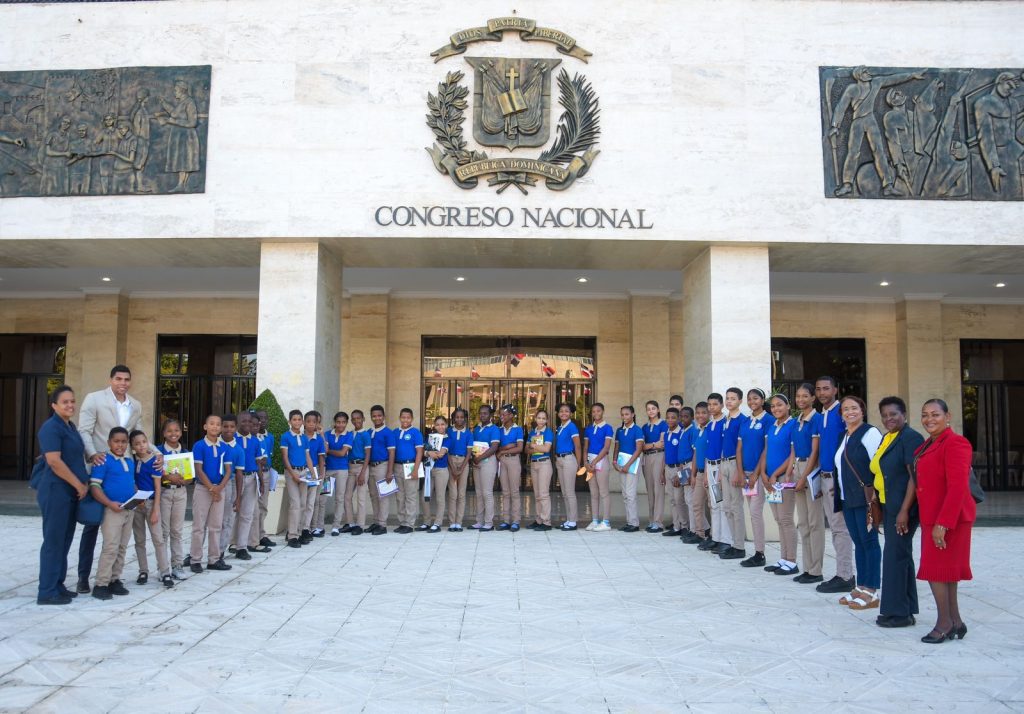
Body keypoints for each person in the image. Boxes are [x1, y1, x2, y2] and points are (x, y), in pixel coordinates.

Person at [76, 365, 145, 594]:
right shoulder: (94, 399)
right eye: (118, 379)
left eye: (126, 379)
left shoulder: (134, 405)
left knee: (118, 538)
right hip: (99, 466)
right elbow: (84, 431)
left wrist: (155, 456)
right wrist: (93, 455)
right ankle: (85, 577)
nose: (122, 383)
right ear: (111, 379)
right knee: (92, 526)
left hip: (123, 470)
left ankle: (113, 578)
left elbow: (138, 436)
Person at [914, 398, 976, 644]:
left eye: (935, 414)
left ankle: (944, 623)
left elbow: (958, 486)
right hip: (932, 515)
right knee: (944, 572)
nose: (929, 419)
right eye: (925, 414)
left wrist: (944, 523)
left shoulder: (956, 443)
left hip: (949, 519)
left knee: (936, 571)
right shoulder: (929, 444)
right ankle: (956, 621)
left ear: (948, 416)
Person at [870, 396, 925, 628]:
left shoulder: (910, 438)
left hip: (903, 508)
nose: (888, 419)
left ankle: (899, 614)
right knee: (900, 556)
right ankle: (905, 608)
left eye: (893, 414)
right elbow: (880, 472)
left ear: (904, 414)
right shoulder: (887, 437)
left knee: (894, 557)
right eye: (884, 415)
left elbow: (914, 476)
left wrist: (904, 510)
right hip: (888, 505)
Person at [35, 385, 89, 605]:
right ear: (54, 405)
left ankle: (58, 584)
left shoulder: (70, 427)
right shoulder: (51, 428)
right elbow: (54, 462)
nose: (70, 405)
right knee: (53, 540)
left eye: (72, 401)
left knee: (64, 540)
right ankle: (46, 590)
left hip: (69, 492)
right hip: (56, 490)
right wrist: (79, 485)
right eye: (65, 401)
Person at [834, 396, 884, 610]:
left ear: (862, 411)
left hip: (865, 499)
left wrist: (876, 497)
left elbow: (878, 464)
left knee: (869, 542)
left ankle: (872, 590)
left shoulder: (870, 433)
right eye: (845, 409)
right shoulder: (843, 435)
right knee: (859, 542)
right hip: (848, 498)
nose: (849, 412)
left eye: (854, 408)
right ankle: (861, 586)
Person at [814, 376, 856, 594]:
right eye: (819, 389)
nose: (822, 393)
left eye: (826, 389)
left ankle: (845, 575)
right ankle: (843, 572)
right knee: (836, 527)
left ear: (836, 390)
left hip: (837, 479)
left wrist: (840, 480)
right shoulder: (823, 414)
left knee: (840, 528)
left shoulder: (841, 412)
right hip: (824, 476)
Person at [88, 427, 136, 600]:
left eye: (124, 442)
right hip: (112, 511)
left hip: (129, 510)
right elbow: (94, 486)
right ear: (109, 442)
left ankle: (114, 579)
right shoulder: (103, 461)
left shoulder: (130, 461)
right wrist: (109, 503)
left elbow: (131, 483)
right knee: (110, 547)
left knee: (122, 547)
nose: (120, 445)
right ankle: (101, 583)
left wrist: (138, 497)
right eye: (116, 441)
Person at [757, 395, 799, 576]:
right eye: (773, 406)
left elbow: (792, 454)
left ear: (788, 406)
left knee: (787, 519)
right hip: (770, 480)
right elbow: (766, 451)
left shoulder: (793, 425)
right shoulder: (772, 426)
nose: (776, 409)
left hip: (783, 480)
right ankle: (783, 558)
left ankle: (792, 561)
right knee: (778, 520)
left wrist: (775, 475)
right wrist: (764, 474)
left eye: (780, 405)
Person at [789, 384, 825, 585]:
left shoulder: (816, 419)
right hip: (797, 468)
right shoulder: (797, 421)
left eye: (805, 396)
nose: (801, 399)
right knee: (802, 522)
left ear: (813, 398)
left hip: (811, 471)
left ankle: (816, 569)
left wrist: (804, 477)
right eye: (798, 396)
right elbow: (794, 450)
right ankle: (807, 567)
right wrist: (790, 473)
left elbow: (814, 451)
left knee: (814, 522)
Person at [128, 430, 173, 588]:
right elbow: (132, 481)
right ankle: (143, 570)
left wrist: (156, 509)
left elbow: (157, 486)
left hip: (151, 503)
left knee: (158, 539)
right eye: (137, 443)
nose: (141, 446)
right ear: (132, 447)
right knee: (139, 539)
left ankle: (165, 571)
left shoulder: (155, 461)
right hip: (137, 504)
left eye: (143, 442)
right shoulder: (132, 460)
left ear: (148, 442)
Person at [190, 415, 232, 572]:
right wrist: (211, 489)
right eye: (211, 424)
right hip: (203, 489)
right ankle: (195, 559)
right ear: (205, 426)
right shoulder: (199, 446)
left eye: (218, 424)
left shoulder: (224, 447)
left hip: (219, 490)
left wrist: (219, 488)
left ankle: (214, 559)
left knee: (216, 525)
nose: (215, 427)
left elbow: (228, 470)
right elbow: (199, 470)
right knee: (199, 526)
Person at [736, 389, 770, 566]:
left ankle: (760, 553)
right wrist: (741, 472)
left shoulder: (768, 420)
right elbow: (739, 448)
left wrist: (756, 474)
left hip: (759, 474)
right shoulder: (747, 421)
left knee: (756, 512)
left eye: (755, 398)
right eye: (749, 399)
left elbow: (766, 449)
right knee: (753, 512)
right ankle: (758, 550)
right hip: (746, 474)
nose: (752, 401)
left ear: (763, 400)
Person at [156, 419, 189, 580]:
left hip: (181, 493)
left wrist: (184, 480)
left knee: (177, 531)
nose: (173, 434)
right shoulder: (158, 451)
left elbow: (190, 477)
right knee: (163, 531)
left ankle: (177, 565)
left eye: (176, 430)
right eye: (169, 431)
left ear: (180, 433)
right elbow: (154, 474)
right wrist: (168, 477)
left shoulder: (185, 452)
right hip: (164, 493)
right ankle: (162, 568)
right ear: (164, 433)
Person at [232, 413, 265, 560]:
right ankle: (227, 544)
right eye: (243, 421)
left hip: (251, 478)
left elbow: (258, 463)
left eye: (250, 422)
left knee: (247, 514)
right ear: (238, 423)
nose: (247, 424)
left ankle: (242, 547)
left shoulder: (255, 441)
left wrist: (262, 481)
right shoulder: (232, 439)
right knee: (231, 514)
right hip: (234, 479)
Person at [159, 79, 202, 192]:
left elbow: (192, 122)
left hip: (187, 136)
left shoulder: (190, 102)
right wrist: (164, 104)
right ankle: (181, 185)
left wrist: (171, 121)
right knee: (180, 160)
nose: (174, 92)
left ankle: (181, 185)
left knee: (184, 160)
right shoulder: (182, 102)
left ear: (182, 91)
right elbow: (175, 113)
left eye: (176, 90)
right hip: (179, 136)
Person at [281, 409, 317, 546]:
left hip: (304, 473)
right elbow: (284, 457)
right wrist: (292, 473)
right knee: (295, 504)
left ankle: (299, 531)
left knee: (303, 504)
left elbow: (307, 456)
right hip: (292, 473)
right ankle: (291, 536)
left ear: (302, 422)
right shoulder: (286, 437)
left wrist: (312, 473)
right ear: (290, 421)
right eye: (294, 419)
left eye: (299, 419)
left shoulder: (304, 438)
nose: (297, 422)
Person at [718, 387, 746, 560]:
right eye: (727, 398)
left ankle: (740, 546)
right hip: (724, 463)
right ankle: (733, 542)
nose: (729, 401)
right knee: (727, 506)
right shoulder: (726, 419)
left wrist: (738, 471)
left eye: (733, 399)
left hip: (735, 464)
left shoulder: (742, 420)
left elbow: (740, 447)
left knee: (736, 506)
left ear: (740, 401)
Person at [703, 393, 732, 555]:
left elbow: (723, 447)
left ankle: (726, 540)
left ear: (721, 405)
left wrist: (720, 470)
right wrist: (707, 469)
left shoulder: (724, 422)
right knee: (714, 504)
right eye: (709, 404)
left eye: (715, 404)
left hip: (721, 467)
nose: (711, 407)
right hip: (710, 466)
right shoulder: (709, 424)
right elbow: (709, 448)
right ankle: (716, 537)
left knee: (722, 504)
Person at [583, 402, 614, 532]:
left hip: (601, 461)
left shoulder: (608, 428)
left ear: (603, 412)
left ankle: (606, 522)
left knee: (603, 492)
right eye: (593, 411)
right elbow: (585, 447)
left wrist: (594, 461)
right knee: (594, 492)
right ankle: (595, 520)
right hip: (589, 462)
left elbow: (606, 447)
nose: (596, 413)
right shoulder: (588, 429)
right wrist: (585, 462)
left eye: (598, 411)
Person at [613, 406, 645, 533]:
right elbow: (616, 447)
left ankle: (634, 523)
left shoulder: (637, 430)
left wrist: (628, 465)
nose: (624, 417)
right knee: (625, 494)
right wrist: (615, 461)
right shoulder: (619, 430)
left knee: (631, 494)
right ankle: (629, 521)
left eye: (627, 414)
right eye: (622, 414)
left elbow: (638, 449)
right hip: (621, 465)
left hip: (632, 465)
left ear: (633, 414)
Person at [393, 407, 424, 534]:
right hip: (397, 466)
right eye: (403, 417)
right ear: (400, 418)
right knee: (400, 496)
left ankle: (410, 524)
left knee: (410, 496)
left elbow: (419, 452)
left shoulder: (416, 433)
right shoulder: (395, 432)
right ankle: (402, 522)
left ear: (412, 419)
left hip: (411, 465)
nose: (405, 420)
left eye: (408, 417)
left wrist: (416, 469)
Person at [366, 405, 396, 535]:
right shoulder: (369, 432)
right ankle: (376, 521)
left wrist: (389, 471)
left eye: (379, 415)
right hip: (370, 467)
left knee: (382, 496)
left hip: (382, 466)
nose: (376, 418)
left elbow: (392, 453)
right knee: (373, 495)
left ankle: (383, 525)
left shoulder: (388, 432)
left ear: (383, 416)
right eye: (374, 416)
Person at [217, 414, 244, 557]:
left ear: (236, 428)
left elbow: (239, 475)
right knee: (209, 522)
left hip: (231, 483)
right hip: (214, 483)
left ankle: (220, 551)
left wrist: (238, 497)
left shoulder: (238, 449)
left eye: (232, 426)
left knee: (227, 519)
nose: (228, 429)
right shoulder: (215, 443)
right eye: (225, 426)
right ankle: (194, 554)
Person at [470, 405, 500, 531]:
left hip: (488, 462)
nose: (482, 415)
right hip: (477, 462)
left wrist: (480, 457)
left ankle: (489, 522)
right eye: (481, 413)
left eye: (485, 413)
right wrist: (474, 457)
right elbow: (473, 446)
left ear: (490, 415)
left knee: (487, 493)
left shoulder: (494, 429)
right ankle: (479, 521)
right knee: (479, 493)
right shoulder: (476, 429)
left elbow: (494, 447)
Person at [554, 402, 582, 531]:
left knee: (570, 492)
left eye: (566, 411)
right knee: (564, 492)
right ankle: (568, 519)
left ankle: (573, 521)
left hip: (569, 459)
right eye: (561, 411)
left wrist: (579, 463)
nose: (563, 413)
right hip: (559, 460)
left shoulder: (572, 427)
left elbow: (577, 446)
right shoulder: (560, 427)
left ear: (571, 413)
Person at [496, 404, 524, 531]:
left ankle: (516, 521)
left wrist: (505, 450)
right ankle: (506, 520)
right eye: (500, 414)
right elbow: (497, 448)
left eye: (504, 414)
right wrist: (506, 448)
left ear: (511, 415)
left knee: (514, 491)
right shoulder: (499, 430)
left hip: (513, 461)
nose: (501, 417)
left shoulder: (518, 429)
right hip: (503, 460)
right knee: (505, 492)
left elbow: (520, 448)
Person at [641, 401, 667, 532]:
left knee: (658, 490)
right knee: (650, 490)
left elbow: (662, 444)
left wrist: (649, 445)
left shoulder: (663, 424)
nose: (651, 411)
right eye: (648, 409)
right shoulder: (644, 427)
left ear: (658, 410)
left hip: (659, 456)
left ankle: (658, 522)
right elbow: (641, 446)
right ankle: (651, 521)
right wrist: (652, 444)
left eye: (653, 408)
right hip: (646, 457)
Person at [252, 409, 277, 548]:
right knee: (253, 507)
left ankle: (261, 534)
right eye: (260, 418)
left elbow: (269, 455)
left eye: (265, 418)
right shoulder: (252, 437)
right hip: (254, 473)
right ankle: (253, 536)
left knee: (263, 506)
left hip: (266, 474)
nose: (263, 421)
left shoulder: (270, 437)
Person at [326, 412, 354, 536]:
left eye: (343, 422)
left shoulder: (349, 435)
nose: (340, 424)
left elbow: (342, 453)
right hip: (328, 470)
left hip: (342, 470)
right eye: (338, 422)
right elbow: (324, 451)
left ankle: (335, 526)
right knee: (323, 497)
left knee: (339, 498)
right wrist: (330, 451)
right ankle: (318, 526)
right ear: (334, 422)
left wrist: (329, 451)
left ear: (346, 423)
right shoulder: (327, 434)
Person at [526, 409, 554, 531]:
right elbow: (526, 450)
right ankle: (539, 520)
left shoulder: (548, 432)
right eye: (539, 418)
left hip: (544, 464)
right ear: (535, 419)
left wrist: (533, 446)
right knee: (537, 495)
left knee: (543, 494)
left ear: (546, 420)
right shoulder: (532, 432)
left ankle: (546, 522)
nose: (541, 420)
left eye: (543, 418)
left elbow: (546, 449)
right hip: (534, 464)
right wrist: (536, 448)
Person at [689, 402, 713, 549]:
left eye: (703, 413)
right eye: (698, 413)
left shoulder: (711, 429)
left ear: (709, 413)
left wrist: (706, 473)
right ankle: (700, 533)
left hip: (709, 473)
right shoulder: (698, 430)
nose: (700, 415)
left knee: (713, 506)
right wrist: (693, 474)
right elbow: (696, 453)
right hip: (698, 473)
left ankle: (714, 536)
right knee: (696, 504)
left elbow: (709, 453)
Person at [424, 415, 451, 533]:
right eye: (438, 424)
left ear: (446, 425)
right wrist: (428, 452)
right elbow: (424, 451)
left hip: (441, 470)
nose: (440, 426)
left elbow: (441, 453)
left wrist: (431, 453)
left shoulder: (448, 438)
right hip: (429, 469)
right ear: (434, 426)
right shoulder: (430, 438)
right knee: (425, 496)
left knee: (440, 497)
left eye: (442, 424)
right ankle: (426, 522)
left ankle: (437, 523)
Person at [673, 407, 697, 542]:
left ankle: (695, 530)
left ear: (692, 417)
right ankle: (692, 528)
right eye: (681, 416)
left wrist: (690, 473)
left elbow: (694, 453)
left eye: (686, 416)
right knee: (687, 499)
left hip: (690, 466)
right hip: (684, 466)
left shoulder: (692, 431)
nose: (683, 419)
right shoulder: (683, 430)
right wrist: (680, 473)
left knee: (691, 499)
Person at [347, 409, 372, 535]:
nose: (356, 421)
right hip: (350, 467)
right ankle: (351, 523)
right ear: (351, 420)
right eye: (354, 418)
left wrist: (362, 473)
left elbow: (368, 454)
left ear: (363, 419)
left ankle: (360, 525)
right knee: (347, 497)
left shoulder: (365, 435)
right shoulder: (350, 434)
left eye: (359, 418)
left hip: (362, 467)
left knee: (361, 498)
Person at [446, 408, 471, 531]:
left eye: (462, 417)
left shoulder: (468, 433)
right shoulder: (448, 431)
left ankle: (458, 522)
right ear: (453, 418)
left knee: (461, 494)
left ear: (464, 418)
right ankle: (451, 522)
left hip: (463, 462)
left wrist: (461, 468)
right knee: (453, 494)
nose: (459, 419)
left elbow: (469, 452)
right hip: (451, 461)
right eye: (457, 417)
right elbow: (446, 451)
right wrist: (453, 468)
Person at [661, 407, 685, 537]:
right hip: (668, 468)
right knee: (672, 499)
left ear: (678, 419)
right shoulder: (666, 434)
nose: (670, 420)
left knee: (679, 499)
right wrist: (662, 472)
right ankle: (676, 526)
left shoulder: (681, 433)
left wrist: (679, 473)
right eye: (668, 417)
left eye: (673, 417)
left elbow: (681, 454)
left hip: (678, 469)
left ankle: (684, 526)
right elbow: (665, 453)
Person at [304, 411, 326, 537]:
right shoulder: (301, 437)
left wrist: (322, 473)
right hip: (303, 470)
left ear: (318, 423)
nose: (311, 424)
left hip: (317, 471)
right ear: (304, 423)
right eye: (309, 421)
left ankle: (314, 527)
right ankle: (303, 526)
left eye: (314, 422)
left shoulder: (319, 439)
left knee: (315, 500)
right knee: (304, 501)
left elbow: (322, 456)